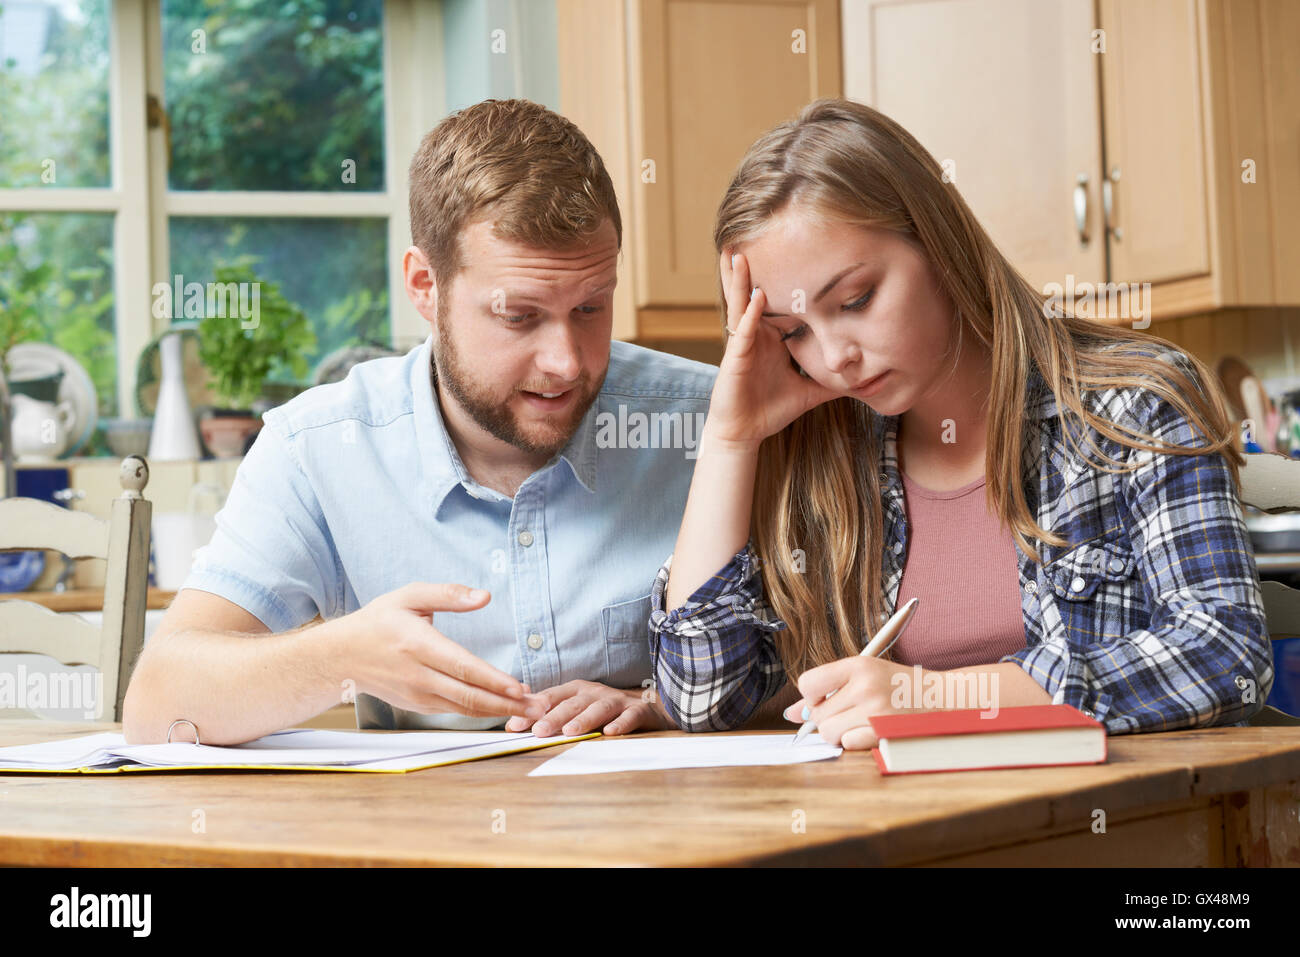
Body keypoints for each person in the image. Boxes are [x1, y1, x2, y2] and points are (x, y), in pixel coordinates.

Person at [650, 97, 1273, 749]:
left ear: (938, 242)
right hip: (895, 835)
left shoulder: (1132, 403)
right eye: (795, 331)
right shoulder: (825, 450)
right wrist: (730, 438)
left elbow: (1225, 652)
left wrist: (939, 697)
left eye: (856, 299)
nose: (835, 356)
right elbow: (702, 699)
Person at [123, 99, 716, 745]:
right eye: (519, 315)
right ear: (424, 287)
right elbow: (158, 706)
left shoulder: (707, 425)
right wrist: (339, 657)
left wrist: (665, 701)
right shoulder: (317, 448)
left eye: (591, 308)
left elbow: (820, 660)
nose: (566, 361)